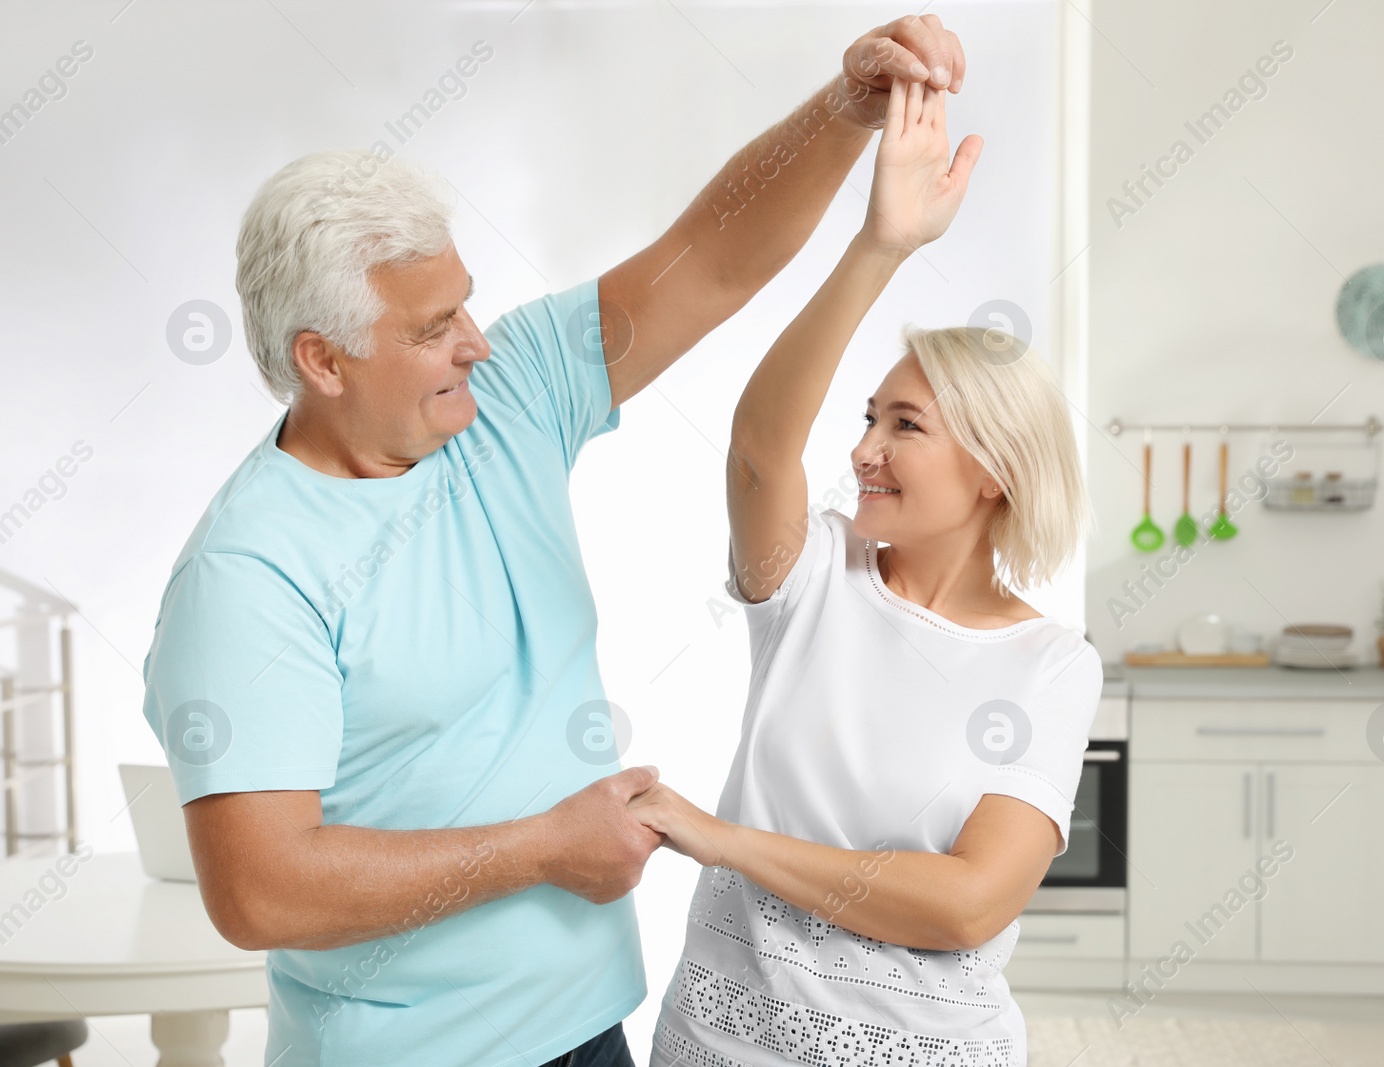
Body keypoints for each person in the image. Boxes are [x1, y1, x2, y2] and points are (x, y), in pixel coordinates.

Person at [137, 17, 970, 1067]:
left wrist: (843, 109)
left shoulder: (506, 396)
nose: (475, 341)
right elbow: (261, 890)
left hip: (585, 1027)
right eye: (433, 327)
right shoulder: (248, 575)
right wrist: (541, 849)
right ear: (324, 359)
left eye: (467, 305)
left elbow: (707, 260)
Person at [628, 76, 1103, 1067]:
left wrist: (724, 839)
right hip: (717, 1036)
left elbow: (967, 903)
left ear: (994, 470)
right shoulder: (815, 577)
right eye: (868, 419)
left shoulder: (1052, 665)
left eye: (907, 426)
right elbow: (763, 445)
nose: (865, 451)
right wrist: (879, 243)